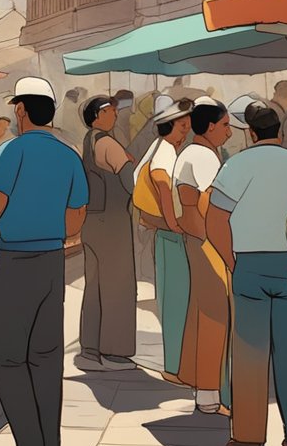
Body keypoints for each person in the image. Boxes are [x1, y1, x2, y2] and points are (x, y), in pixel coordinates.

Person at [0, 76, 88, 446]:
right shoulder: (68, 155)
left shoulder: (13, 149)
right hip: (52, 260)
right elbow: (76, 215)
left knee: (5, 355)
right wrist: (51, 231)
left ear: (21, 110)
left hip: (16, 259)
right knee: (45, 357)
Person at [205, 100, 287, 446]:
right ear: (280, 133)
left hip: (249, 266)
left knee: (250, 353)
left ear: (250, 133)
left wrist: (231, 260)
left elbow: (215, 220)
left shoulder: (236, 165)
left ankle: (249, 434)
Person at [172, 96, 232, 414]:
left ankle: (196, 380)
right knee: (214, 313)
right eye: (224, 125)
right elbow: (213, 205)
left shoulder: (191, 152)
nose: (229, 132)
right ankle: (209, 394)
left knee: (200, 310)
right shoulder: (205, 157)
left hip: (195, 240)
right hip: (206, 241)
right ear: (210, 126)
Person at [132, 95, 193, 383]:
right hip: (170, 235)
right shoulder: (166, 152)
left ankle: (178, 363)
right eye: (182, 127)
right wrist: (174, 223)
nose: (186, 132)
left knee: (173, 300)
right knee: (173, 301)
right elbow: (163, 186)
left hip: (165, 232)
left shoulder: (164, 149)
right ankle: (176, 365)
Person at [75, 96, 137, 373]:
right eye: (110, 111)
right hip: (113, 222)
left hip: (92, 220)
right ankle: (114, 352)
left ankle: (90, 348)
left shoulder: (88, 143)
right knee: (118, 286)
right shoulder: (110, 144)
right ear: (96, 116)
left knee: (95, 285)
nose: (114, 115)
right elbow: (130, 183)